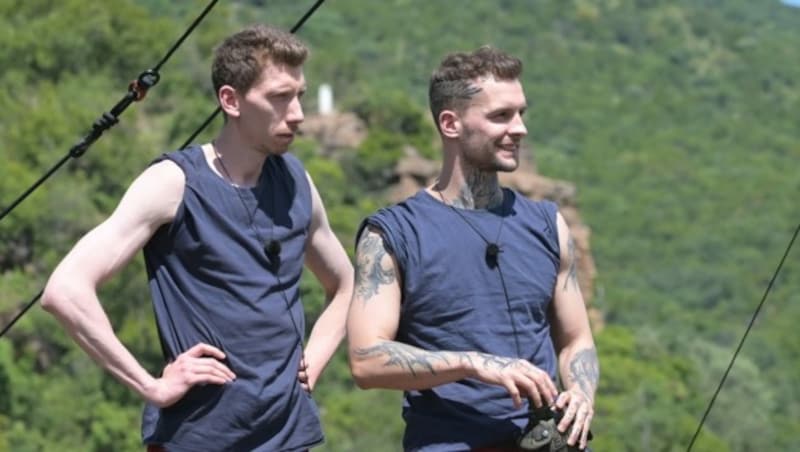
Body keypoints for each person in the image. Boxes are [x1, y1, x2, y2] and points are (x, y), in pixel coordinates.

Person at [41, 24, 353, 451]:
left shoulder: (297, 182)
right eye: (280, 97)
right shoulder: (174, 183)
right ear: (231, 100)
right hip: (197, 438)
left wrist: (312, 363)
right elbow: (65, 290)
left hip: (287, 438)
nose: (297, 113)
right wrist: (151, 386)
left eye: (299, 94)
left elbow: (347, 284)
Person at [346, 46, 599, 451]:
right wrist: (475, 363)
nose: (519, 129)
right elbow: (365, 359)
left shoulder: (548, 224)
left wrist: (582, 395)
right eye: (501, 116)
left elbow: (576, 342)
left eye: (521, 113)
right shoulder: (393, 233)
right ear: (451, 123)